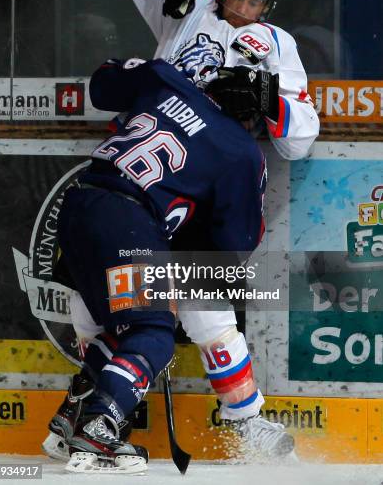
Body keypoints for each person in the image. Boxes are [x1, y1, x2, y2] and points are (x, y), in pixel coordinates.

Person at [114, 0, 319, 453]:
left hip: (208, 184)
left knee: (207, 302)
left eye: (255, 2)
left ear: (269, 6)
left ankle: (244, 418)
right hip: (152, 171)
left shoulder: (277, 44)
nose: (243, 9)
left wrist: (267, 97)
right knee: (118, 299)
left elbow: (301, 139)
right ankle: (93, 407)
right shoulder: (191, 2)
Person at [43, 55, 274, 473]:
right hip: (127, 223)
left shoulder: (172, 83)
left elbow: (103, 86)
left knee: (122, 326)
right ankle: (99, 428)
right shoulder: (242, 151)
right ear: (253, 119)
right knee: (153, 331)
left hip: (80, 204)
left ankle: (70, 419)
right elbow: (234, 243)